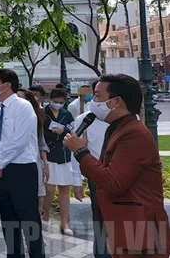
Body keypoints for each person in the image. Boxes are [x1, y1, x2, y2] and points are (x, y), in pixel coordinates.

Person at [64, 74, 170, 258]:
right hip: (128, 230)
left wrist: (81, 152)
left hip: (141, 233)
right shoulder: (118, 128)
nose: (93, 102)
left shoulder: (134, 133)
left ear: (116, 102)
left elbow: (113, 182)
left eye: (97, 96)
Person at [0, 69, 45, 258]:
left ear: (7, 85)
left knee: (29, 220)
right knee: (9, 221)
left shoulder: (23, 106)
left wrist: (0, 163)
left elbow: (18, 142)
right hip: (3, 171)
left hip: (22, 170)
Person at [70, 80, 111, 258]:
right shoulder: (84, 120)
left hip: (120, 176)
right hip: (96, 176)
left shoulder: (126, 120)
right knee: (100, 222)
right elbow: (74, 151)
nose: (94, 100)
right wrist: (76, 181)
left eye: (98, 95)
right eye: (94, 95)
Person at [42, 88, 82, 235]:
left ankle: (64, 222)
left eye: (61, 102)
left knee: (64, 189)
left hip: (64, 155)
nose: (57, 104)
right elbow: (41, 133)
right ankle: (45, 216)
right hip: (48, 154)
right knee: (49, 189)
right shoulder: (43, 113)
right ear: (50, 99)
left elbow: (72, 129)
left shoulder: (67, 114)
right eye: (55, 101)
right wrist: (54, 134)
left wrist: (63, 130)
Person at [17, 89, 49, 217]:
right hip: (14, 162)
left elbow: (41, 142)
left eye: (20, 98)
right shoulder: (7, 118)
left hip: (33, 160)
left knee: (39, 193)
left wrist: (45, 163)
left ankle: (37, 224)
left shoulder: (35, 118)